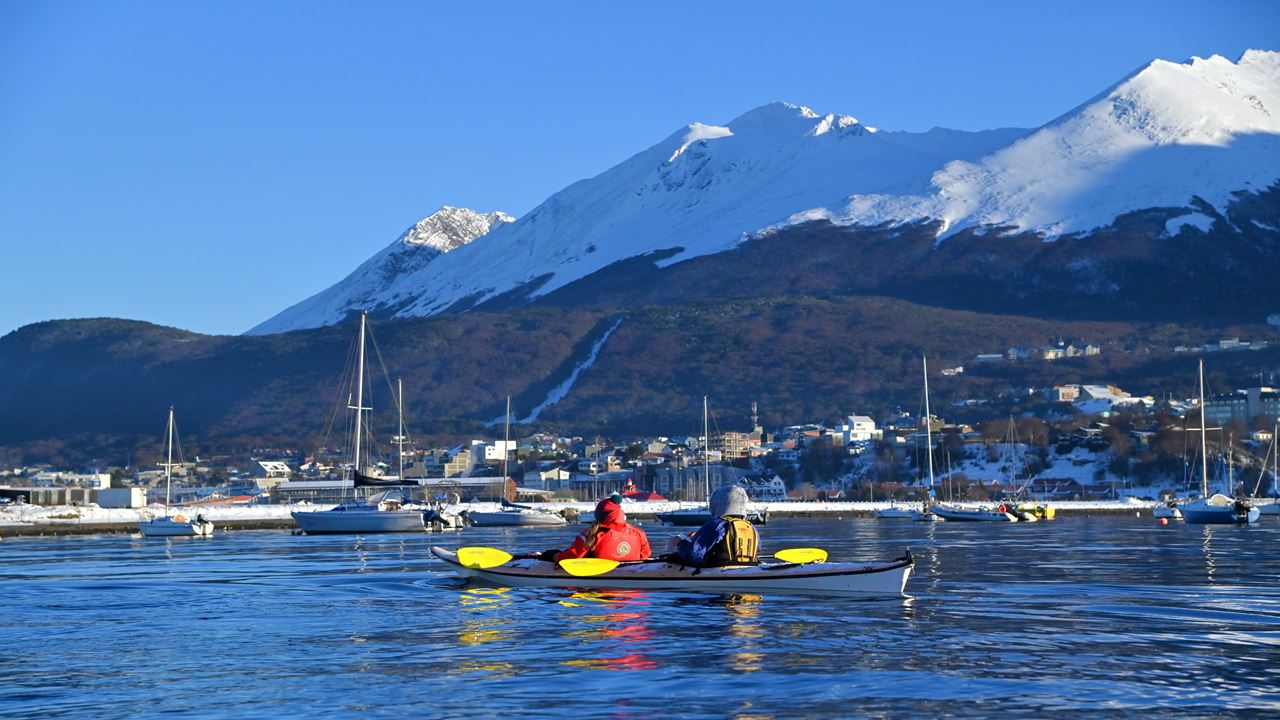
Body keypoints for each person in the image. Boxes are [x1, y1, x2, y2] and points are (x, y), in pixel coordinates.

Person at [672, 485, 760, 567]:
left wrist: (681, 543)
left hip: (717, 569)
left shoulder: (716, 524)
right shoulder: (751, 527)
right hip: (748, 567)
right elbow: (757, 550)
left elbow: (693, 555)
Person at [551, 496, 651, 563]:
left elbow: (575, 555)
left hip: (600, 577)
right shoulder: (638, 533)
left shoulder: (591, 534)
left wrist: (557, 557)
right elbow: (646, 554)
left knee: (552, 553)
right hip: (632, 577)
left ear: (599, 515)